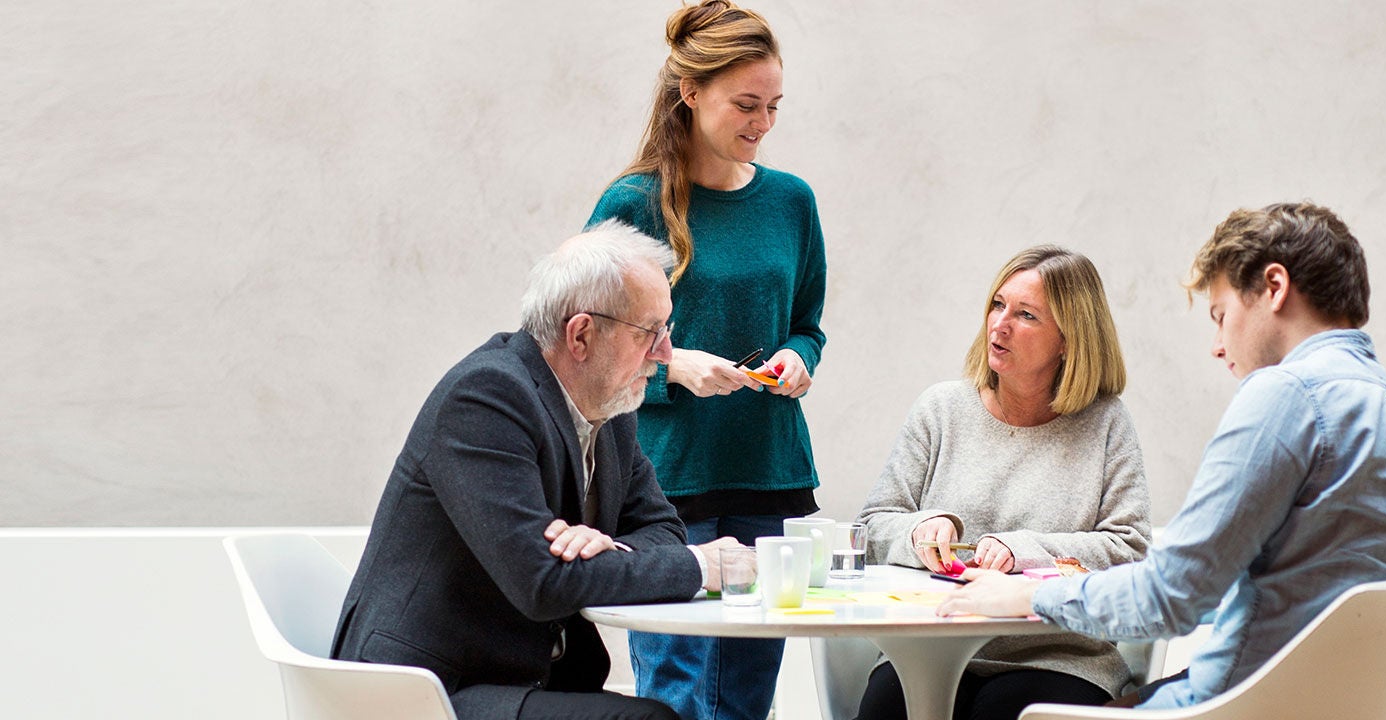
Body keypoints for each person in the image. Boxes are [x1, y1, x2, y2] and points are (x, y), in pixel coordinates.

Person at [937, 202, 1386, 710]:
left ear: (1274, 287)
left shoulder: (1286, 397)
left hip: (1236, 705)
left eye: (1221, 315)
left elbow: (1171, 598)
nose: (1218, 346)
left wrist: (1024, 597)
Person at [330, 221, 745, 720]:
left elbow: (662, 528)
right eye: (649, 332)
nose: (665, 353)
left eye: (666, 331)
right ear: (582, 334)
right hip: (428, 687)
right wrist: (706, 566)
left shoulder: (610, 407)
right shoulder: (486, 398)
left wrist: (610, 547)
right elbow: (543, 582)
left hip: (520, 675)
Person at [584, 2, 827, 719]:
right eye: (746, 104)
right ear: (691, 94)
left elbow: (808, 324)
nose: (763, 122)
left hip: (767, 473)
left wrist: (797, 355)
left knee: (748, 696)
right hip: (666, 485)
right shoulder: (632, 205)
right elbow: (587, 352)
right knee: (677, 696)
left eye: (774, 106)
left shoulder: (792, 203)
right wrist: (673, 364)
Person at [855, 245, 1152, 720]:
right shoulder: (942, 409)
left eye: (1026, 315)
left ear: (1068, 340)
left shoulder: (1106, 423)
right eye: (998, 305)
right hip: (931, 647)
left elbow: (1130, 550)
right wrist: (921, 531)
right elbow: (870, 528)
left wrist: (1024, 551)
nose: (1000, 325)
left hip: (1059, 655)